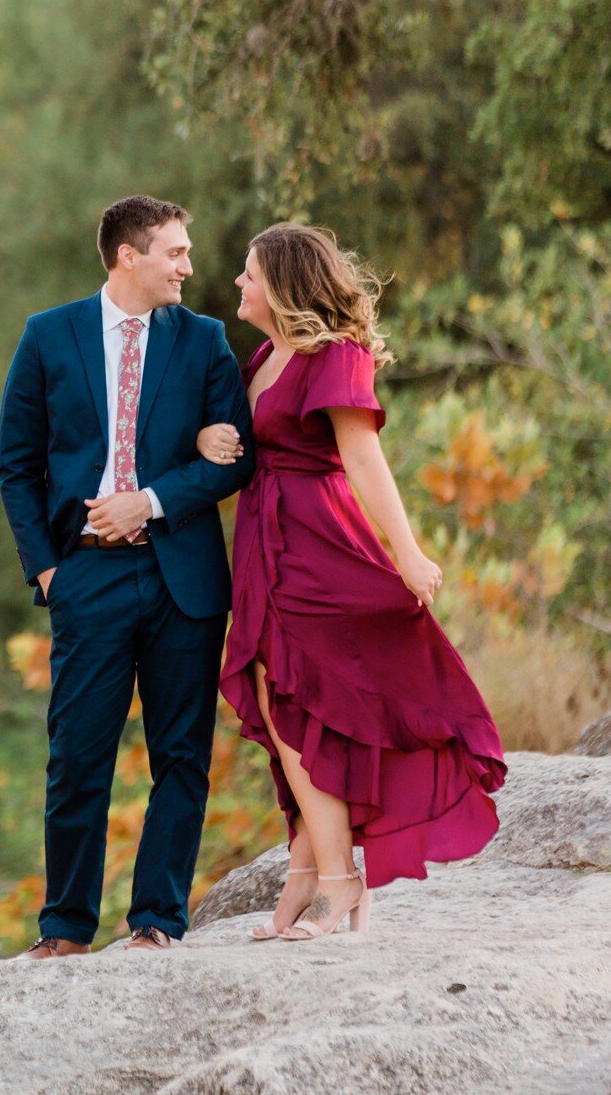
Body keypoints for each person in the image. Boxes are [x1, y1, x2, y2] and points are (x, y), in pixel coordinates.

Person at [193, 223, 505, 940]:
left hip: (316, 544)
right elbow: (240, 439)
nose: (238, 284)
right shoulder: (267, 354)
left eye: (249, 274)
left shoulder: (336, 355)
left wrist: (407, 553)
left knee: (304, 702)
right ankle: (308, 874)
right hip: (265, 544)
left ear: (283, 282)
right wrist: (207, 440)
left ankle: (339, 883)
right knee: (280, 702)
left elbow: (363, 459)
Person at [0, 195, 256, 954]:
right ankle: (66, 929)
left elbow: (235, 460)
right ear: (127, 256)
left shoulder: (204, 341)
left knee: (182, 756)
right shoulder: (49, 337)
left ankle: (157, 922)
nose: (189, 266)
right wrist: (46, 569)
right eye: (175, 253)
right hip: (86, 578)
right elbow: (15, 467)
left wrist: (149, 499)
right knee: (78, 756)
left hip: (184, 580)